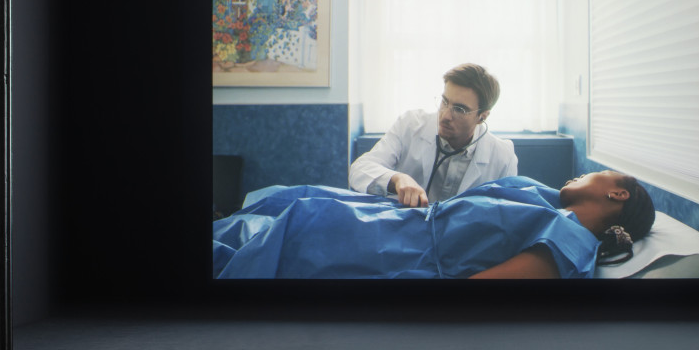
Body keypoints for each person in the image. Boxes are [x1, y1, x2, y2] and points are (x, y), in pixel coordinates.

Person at [212, 171, 655, 279]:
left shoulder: (571, 241)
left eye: (600, 174)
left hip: (396, 252)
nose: (579, 177)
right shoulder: (548, 202)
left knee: (280, 230)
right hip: (396, 222)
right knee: (292, 196)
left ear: (617, 193)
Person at [348, 63, 518, 207]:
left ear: (482, 116)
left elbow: (508, 217)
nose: (445, 116)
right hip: (405, 233)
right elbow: (359, 169)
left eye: (459, 109)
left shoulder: (503, 156)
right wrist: (397, 179)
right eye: (444, 102)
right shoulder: (410, 125)